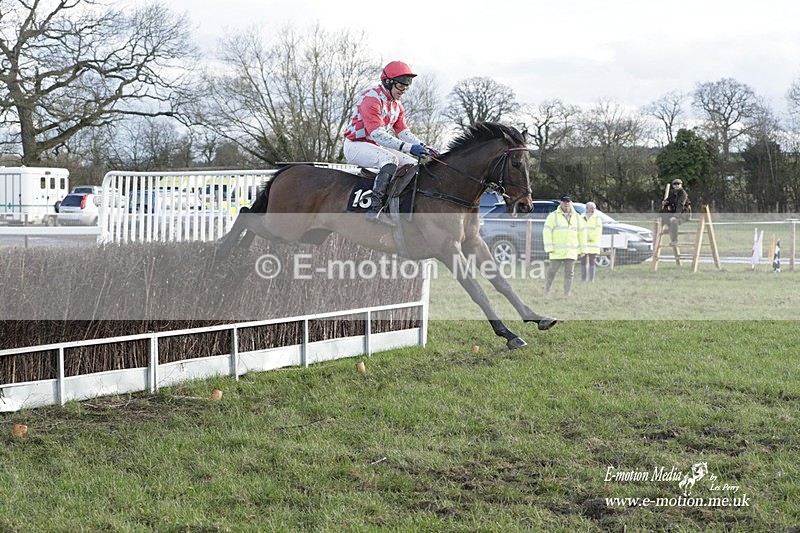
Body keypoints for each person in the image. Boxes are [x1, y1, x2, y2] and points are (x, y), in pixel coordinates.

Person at [343, 60, 438, 226]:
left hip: (374, 145)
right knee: (390, 160)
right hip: (355, 145)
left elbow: (403, 132)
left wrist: (423, 146)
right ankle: (375, 209)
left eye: (406, 87)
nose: (403, 91)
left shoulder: (397, 105)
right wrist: (409, 148)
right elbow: (378, 134)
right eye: (401, 87)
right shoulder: (371, 98)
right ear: (388, 82)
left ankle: (398, 207)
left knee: (410, 164)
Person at [543, 195, 586, 297]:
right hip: (556, 251)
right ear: (561, 203)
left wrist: (582, 249)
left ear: (571, 203)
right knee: (552, 272)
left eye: (568, 202)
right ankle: (546, 291)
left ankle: (566, 294)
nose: (566, 204)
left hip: (571, 251)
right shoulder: (553, 216)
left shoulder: (577, 217)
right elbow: (546, 231)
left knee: (569, 273)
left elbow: (582, 233)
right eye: (564, 202)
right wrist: (549, 247)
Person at [660, 178, 690, 245]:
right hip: (674, 212)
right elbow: (668, 201)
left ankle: (675, 240)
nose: (676, 185)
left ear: (681, 185)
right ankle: (670, 228)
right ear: (673, 185)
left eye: (678, 184)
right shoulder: (673, 193)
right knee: (662, 212)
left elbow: (680, 205)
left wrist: (675, 216)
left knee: (674, 222)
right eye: (675, 184)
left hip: (684, 214)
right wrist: (665, 202)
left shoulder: (683, 194)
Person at [581, 201, 602, 282]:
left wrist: (590, 237)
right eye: (591, 208)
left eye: (594, 209)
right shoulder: (581, 217)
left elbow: (598, 230)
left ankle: (591, 279)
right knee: (583, 259)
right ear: (587, 209)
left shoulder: (597, 218)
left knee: (592, 260)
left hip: (593, 243)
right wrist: (583, 237)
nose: (593, 210)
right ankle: (583, 279)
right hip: (583, 242)